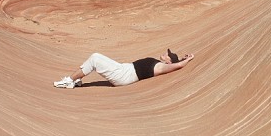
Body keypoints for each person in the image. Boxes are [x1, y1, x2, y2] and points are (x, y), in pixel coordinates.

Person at [54, 49, 194, 88]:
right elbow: (178, 62)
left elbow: (178, 66)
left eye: (168, 55)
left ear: (169, 62)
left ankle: (69, 81)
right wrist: (183, 57)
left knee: (95, 58)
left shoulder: (161, 67)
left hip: (124, 76)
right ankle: (77, 79)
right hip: (124, 69)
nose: (165, 54)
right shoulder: (159, 63)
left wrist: (186, 60)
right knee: (97, 57)